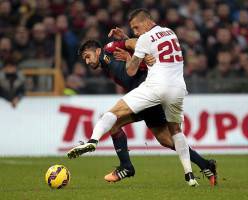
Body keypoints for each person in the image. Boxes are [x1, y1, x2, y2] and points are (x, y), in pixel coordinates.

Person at [67, 8, 201, 186]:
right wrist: (136, 51)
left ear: (97, 51)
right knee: (165, 139)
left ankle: (119, 160)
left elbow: (136, 43)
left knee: (113, 119)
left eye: (88, 56)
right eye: (84, 60)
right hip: (151, 94)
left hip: (148, 93)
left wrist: (143, 54)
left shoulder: (108, 49)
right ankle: (205, 164)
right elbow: (135, 47)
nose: (87, 61)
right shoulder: (107, 64)